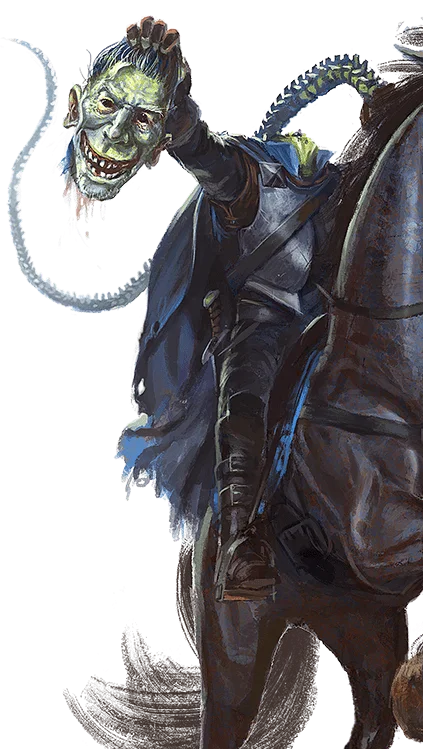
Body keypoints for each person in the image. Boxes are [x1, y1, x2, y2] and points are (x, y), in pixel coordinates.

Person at [114, 18, 337, 600]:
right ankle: (241, 538)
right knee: (245, 391)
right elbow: (203, 153)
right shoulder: (249, 179)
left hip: (340, 323)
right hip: (262, 322)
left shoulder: (349, 187)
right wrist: (174, 102)